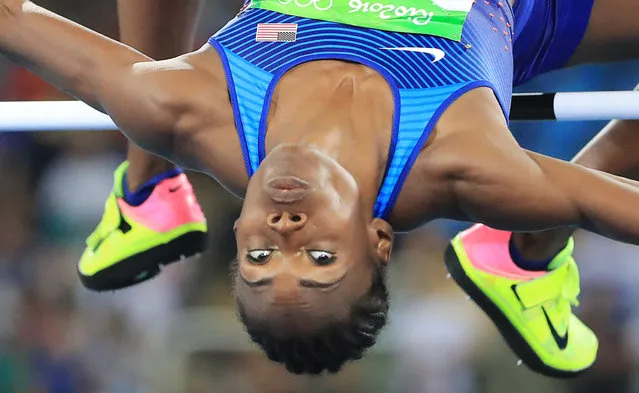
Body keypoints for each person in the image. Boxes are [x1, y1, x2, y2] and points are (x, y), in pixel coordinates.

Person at [1, 0, 638, 377]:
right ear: (378, 239)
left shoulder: (193, 110)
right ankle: (523, 256)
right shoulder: (458, 164)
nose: (284, 235)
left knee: (149, 112)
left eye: (258, 259)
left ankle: (147, 190)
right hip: (523, 15)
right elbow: (611, 206)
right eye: (320, 260)